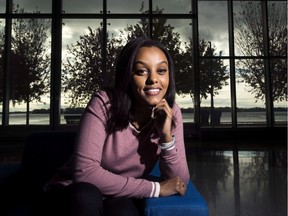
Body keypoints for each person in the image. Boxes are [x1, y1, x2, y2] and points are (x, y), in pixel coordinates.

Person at [40, 37, 190, 216]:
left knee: (124, 210)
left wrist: (166, 137)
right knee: (86, 196)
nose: (153, 79)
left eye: (161, 70)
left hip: (119, 195)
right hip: (73, 192)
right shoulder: (104, 103)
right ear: (127, 76)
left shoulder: (171, 112)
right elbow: (85, 174)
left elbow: (179, 181)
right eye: (141, 71)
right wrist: (155, 189)